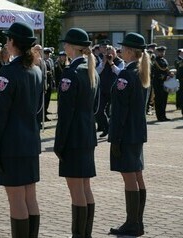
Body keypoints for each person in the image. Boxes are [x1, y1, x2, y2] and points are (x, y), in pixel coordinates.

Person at [0, 22, 43, 238]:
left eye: (7, 39)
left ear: (13, 43)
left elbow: (0, 115)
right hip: (30, 142)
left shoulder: (8, 72)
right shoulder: (36, 70)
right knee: (30, 196)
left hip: (11, 144)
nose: (5, 43)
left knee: (16, 198)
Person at [54, 28, 99, 238]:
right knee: (85, 186)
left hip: (73, 137)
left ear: (73, 47)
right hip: (88, 133)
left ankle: (79, 235)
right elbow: (97, 107)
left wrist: (59, 143)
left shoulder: (71, 73)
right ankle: (85, 234)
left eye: (66, 44)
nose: (64, 47)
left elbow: (65, 113)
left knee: (76, 189)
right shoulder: (91, 70)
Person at [108, 32, 150, 236]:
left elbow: (120, 111)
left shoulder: (127, 74)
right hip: (137, 132)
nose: (120, 51)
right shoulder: (141, 72)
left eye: (124, 48)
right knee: (137, 175)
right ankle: (137, 222)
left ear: (131, 52)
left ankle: (132, 223)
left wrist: (114, 138)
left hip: (126, 133)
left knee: (130, 178)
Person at [95, 45, 124, 137]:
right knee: (99, 111)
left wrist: (112, 63)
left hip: (115, 90)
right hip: (103, 89)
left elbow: (120, 72)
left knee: (115, 112)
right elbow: (96, 72)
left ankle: (115, 131)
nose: (110, 55)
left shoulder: (120, 62)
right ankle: (106, 128)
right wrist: (103, 63)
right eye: (108, 53)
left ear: (115, 53)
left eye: (112, 53)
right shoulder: (103, 61)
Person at [152, 46, 170, 121]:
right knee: (159, 100)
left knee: (164, 100)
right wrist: (164, 77)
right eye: (161, 51)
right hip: (158, 83)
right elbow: (155, 72)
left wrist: (169, 74)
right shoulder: (155, 61)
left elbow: (166, 70)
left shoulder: (165, 60)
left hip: (165, 82)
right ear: (158, 52)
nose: (162, 53)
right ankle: (159, 116)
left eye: (163, 51)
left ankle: (163, 115)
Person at [174, 48, 183, 115]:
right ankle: (178, 105)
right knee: (179, 92)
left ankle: (180, 104)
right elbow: (178, 65)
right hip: (179, 78)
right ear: (180, 53)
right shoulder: (177, 59)